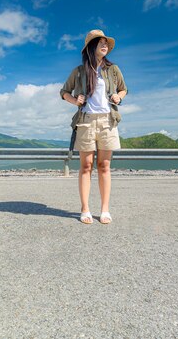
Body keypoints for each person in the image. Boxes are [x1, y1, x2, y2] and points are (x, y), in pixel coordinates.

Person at [60, 30, 128, 224]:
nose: (105, 45)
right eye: (101, 42)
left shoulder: (113, 69)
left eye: (106, 43)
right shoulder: (80, 71)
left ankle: (105, 210)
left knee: (104, 166)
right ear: (91, 47)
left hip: (108, 120)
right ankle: (85, 209)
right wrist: (75, 100)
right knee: (86, 166)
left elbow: (124, 88)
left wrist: (118, 97)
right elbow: (64, 91)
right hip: (86, 120)